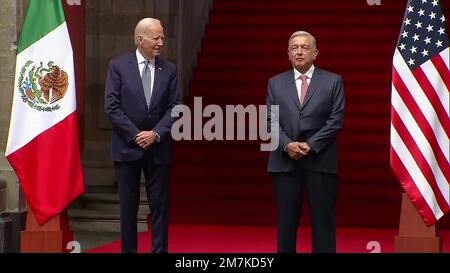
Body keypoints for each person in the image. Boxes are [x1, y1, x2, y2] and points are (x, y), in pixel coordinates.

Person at [105, 18, 180, 253]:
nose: (161, 42)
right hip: (127, 147)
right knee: (128, 207)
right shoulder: (118, 67)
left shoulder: (169, 69)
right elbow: (112, 107)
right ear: (140, 40)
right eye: (156, 38)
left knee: (159, 207)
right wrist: (137, 135)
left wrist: (155, 134)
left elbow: (176, 107)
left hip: (158, 148)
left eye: (162, 38)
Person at [266, 31, 345, 253]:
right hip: (285, 162)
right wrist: (287, 144)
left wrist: (310, 146)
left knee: (323, 223)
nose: (299, 51)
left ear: (315, 53)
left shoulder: (333, 81)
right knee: (286, 223)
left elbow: (335, 120)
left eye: (304, 47)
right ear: (288, 54)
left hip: (321, 161)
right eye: (294, 48)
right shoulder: (275, 83)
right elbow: (270, 121)